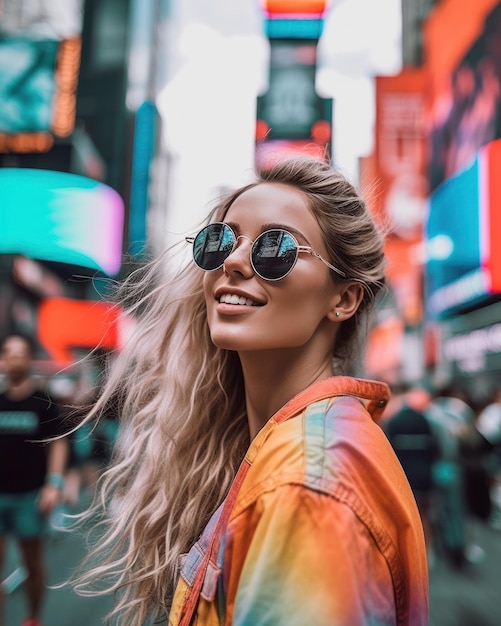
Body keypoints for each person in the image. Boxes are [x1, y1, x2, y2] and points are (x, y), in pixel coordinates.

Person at [73, 157, 429, 625]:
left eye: (275, 247)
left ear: (343, 298)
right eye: (219, 243)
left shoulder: (308, 485)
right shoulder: (295, 447)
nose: (234, 262)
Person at [0, 334, 68, 626]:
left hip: (30, 496)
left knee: (31, 563)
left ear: (29, 359)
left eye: (19, 353)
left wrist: (54, 482)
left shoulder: (42, 401)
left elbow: (59, 442)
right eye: (8, 353)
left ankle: (32, 618)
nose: (13, 358)